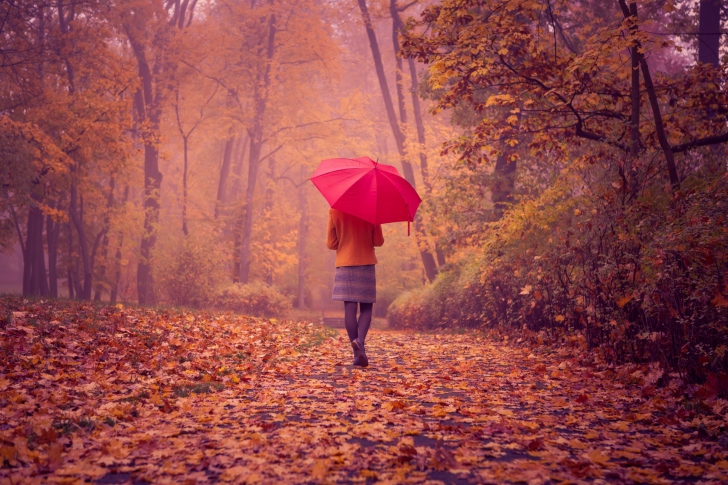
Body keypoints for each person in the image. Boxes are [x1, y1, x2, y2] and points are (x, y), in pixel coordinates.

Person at [325, 208, 384, 367]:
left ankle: (357, 355)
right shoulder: (371, 210)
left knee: (349, 308)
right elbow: (378, 241)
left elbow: (331, 243)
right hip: (366, 261)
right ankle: (360, 342)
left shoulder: (335, 210)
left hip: (345, 262)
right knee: (366, 307)